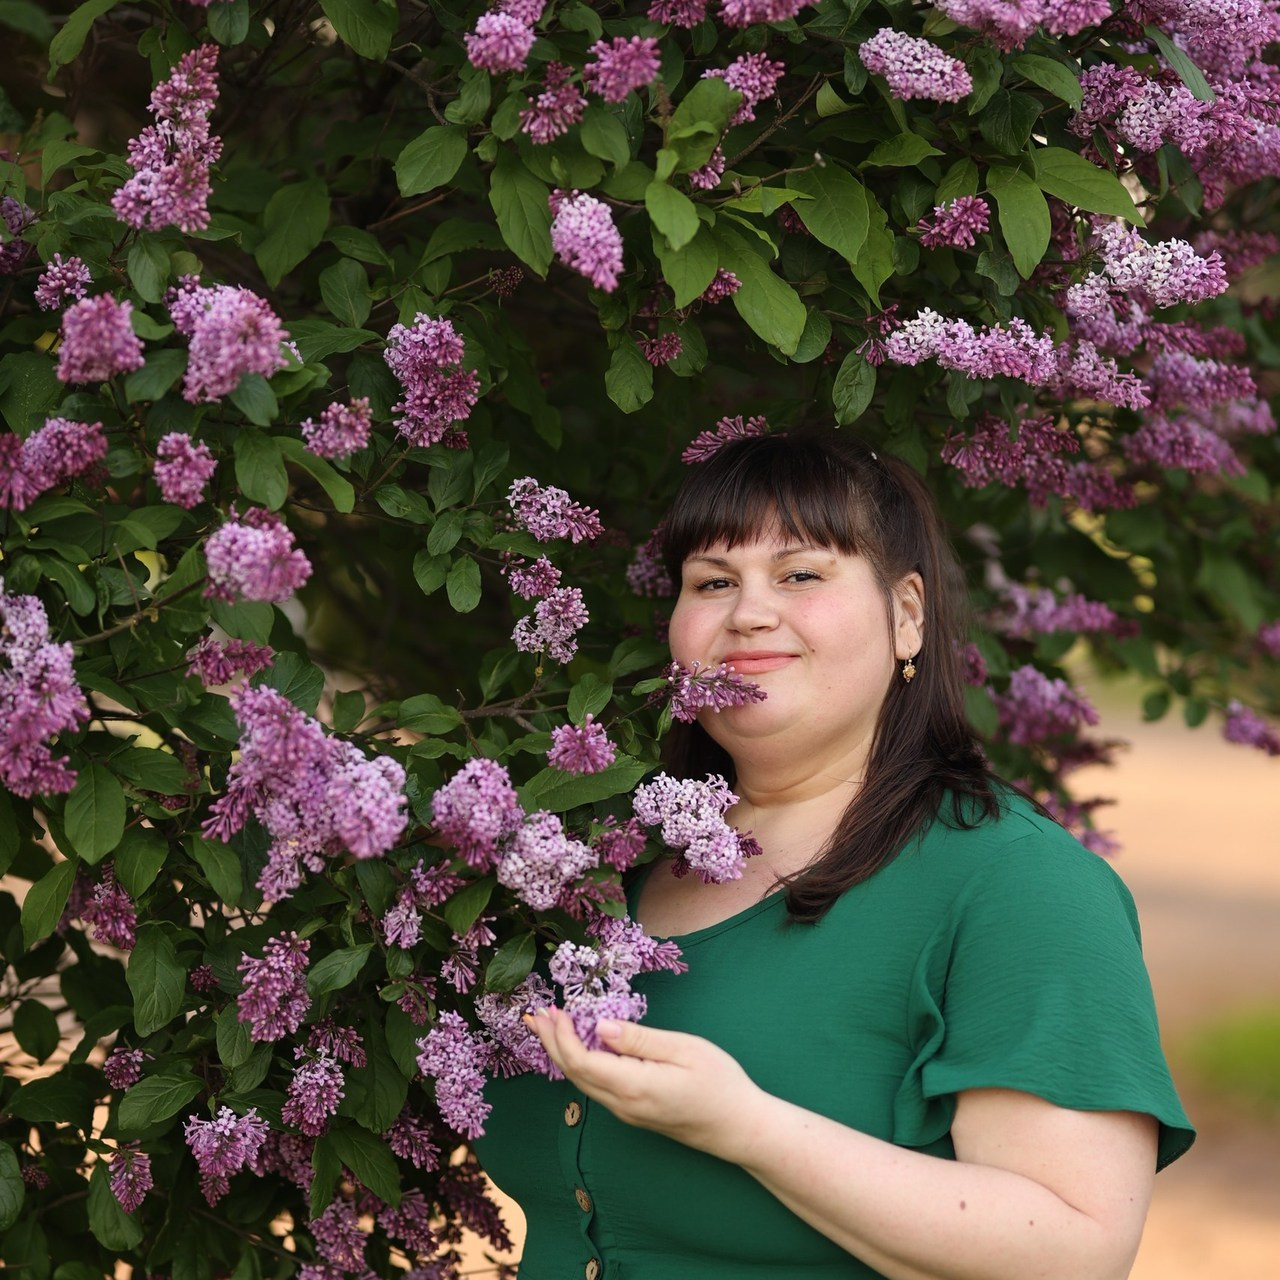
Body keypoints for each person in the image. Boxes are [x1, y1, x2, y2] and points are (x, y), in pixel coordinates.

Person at [474, 431, 1194, 1280]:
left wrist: (748, 1128)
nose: (749, 613)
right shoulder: (594, 861)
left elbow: (1073, 1253)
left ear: (907, 614)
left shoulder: (1018, 886)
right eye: (712, 582)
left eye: (801, 575)